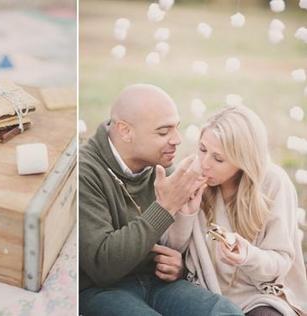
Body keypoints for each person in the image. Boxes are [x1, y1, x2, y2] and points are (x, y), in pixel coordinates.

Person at [79, 84, 243, 316]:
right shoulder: (85, 172)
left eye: (177, 128)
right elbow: (102, 266)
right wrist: (165, 207)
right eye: (163, 132)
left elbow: (177, 244)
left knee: (224, 311)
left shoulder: (161, 167)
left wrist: (179, 265)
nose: (177, 139)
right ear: (125, 131)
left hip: (157, 284)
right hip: (100, 291)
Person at [164, 105, 307, 316]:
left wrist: (247, 255)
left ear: (243, 160)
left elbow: (280, 263)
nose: (204, 163)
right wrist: (186, 214)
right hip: (203, 291)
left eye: (218, 158)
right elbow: (171, 251)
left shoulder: (273, 183)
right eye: (202, 149)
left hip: (258, 295)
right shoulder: (192, 176)